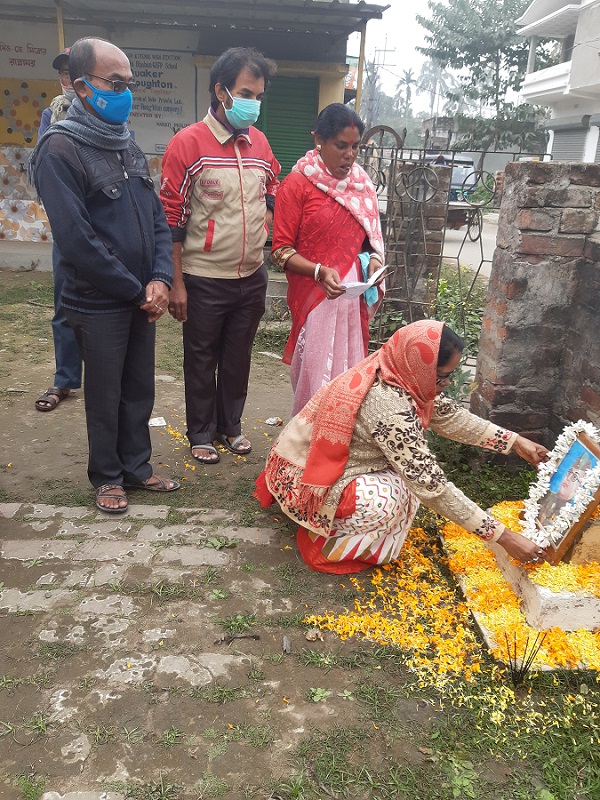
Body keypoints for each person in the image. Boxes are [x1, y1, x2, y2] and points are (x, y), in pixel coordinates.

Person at [255, 320, 551, 574]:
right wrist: (504, 537)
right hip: (304, 478)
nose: (447, 384)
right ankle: (321, 544)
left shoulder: (395, 368)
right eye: (443, 376)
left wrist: (515, 442)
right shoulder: (389, 406)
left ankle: (351, 534)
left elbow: (449, 416)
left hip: (308, 462)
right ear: (419, 367)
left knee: (407, 485)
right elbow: (432, 486)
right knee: (391, 498)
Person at [31, 36, 179, 513]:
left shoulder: (126, 143)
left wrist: (161, 277)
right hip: (98, 300)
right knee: (105, 392)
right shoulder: (59, 149)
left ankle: (136, 468)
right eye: (115, 83)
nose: (125, 93)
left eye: (128, 84)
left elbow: (156, 218)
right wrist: (137, 291)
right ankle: (108, 476)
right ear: (81, 87)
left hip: (141, 295)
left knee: (138, 388)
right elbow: (77, 241)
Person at [160, 47, 281, 466]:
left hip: (252, 275)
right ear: (221, 91)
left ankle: (230, 426)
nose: (254, 104)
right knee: (201, 358)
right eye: (246, 93)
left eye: (259, 96)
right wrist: (176, 282)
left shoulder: (259, 142)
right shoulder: (188, 144)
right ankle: (201, 432)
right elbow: (170, 218)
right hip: (203, 277)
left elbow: (273, 184)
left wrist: (269, 215)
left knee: (237, 358)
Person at [271, 103, 384, 416]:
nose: (350, 155)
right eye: (341, 146)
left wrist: (374, 260)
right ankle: (309, 438)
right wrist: (319, 271)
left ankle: (341, 436)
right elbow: (281, 250)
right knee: (316, 376)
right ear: (319, 140)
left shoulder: (362, 185)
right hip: (317, 297)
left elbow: (368, 240)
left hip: (351, 299)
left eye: (356, 147)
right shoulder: (297, 184)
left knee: (349, 375)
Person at [35, 46, 83, 413]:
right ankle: (65, 378)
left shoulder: (106, 113)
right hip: (67, 226)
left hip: (103, 226)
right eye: (63, 72)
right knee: (64, 305)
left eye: (73, 71)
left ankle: (107, 380)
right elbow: (43, 167)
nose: (67, 78)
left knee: (110, 308)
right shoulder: (51, 114)